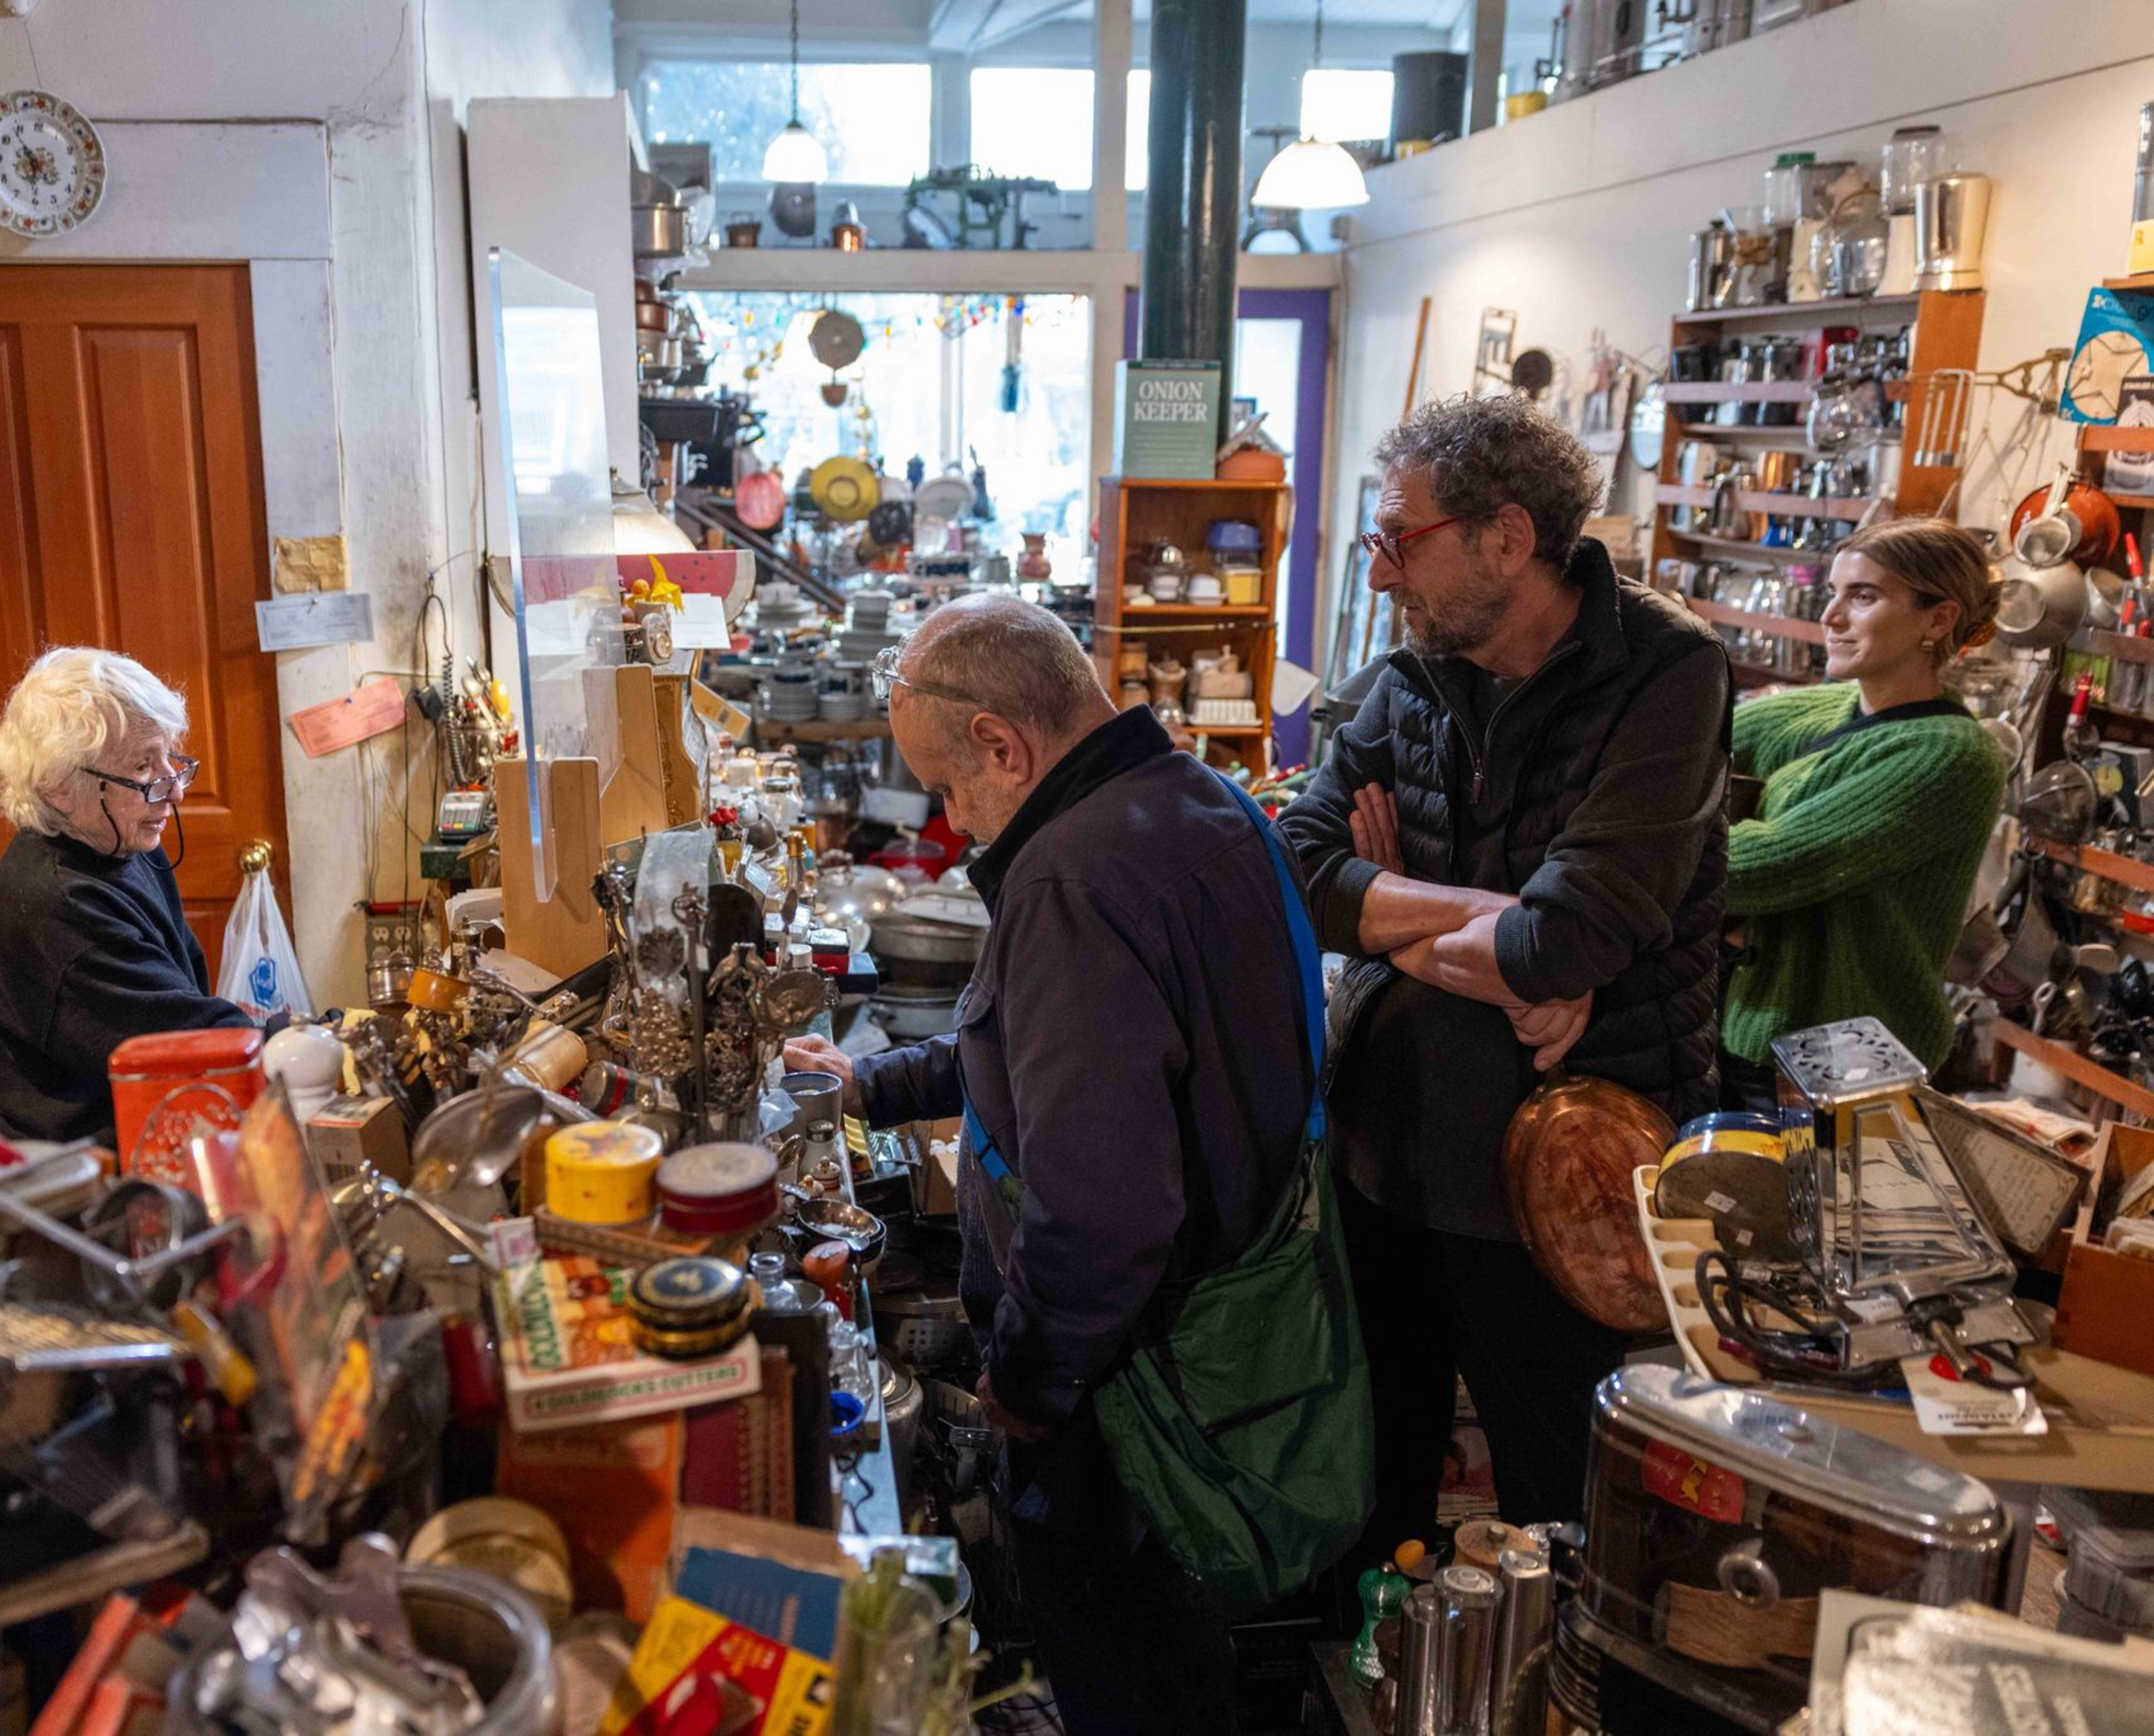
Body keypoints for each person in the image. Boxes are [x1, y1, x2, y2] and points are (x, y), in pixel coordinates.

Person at [782, 596, 1331, 1733]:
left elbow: (1101, 1207)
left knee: (1129, 1671)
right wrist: (869, 1084)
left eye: (950, 785)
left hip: (1131, 1385)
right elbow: (1038, 1049)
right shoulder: (1206, 802)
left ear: (1003, 743)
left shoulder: (1073, 878)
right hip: (1223, 1338)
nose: (950, 814)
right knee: (1180, 1658)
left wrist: (1026, 1384)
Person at [1280, 392, 1730, 1558]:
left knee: (1558, 1510)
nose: (1382, 576)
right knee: (1377, 1491)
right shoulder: (1419, 673)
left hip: (1562, 1176)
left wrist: (1400, 918)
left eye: (1401, 541)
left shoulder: (1666, 676)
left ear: (1510, 538)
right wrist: (1492, 920)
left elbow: (1563, 945)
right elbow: (1303, 867)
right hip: (1393, 1144)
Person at [1717, 517, 2007, 1108]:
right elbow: (1682, 736)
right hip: (1750, 1040)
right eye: (1833, 594)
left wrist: (1636, 850)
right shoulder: (1823, 710)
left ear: (1939, 618)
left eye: (1864, 596)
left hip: (1844, 1069)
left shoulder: (1950, 755)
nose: (1832, 616)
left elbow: (1770, 863)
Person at [0, 646, 262, 1144]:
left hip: (133, 1133)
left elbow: (178, 999)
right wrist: (313, 1041)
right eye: (144, 767)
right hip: (74, 1182)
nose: (175, 791)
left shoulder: (122, 841)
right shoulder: (61, 905)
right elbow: (191, 1044)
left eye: (170, 756)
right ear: (59, 787)